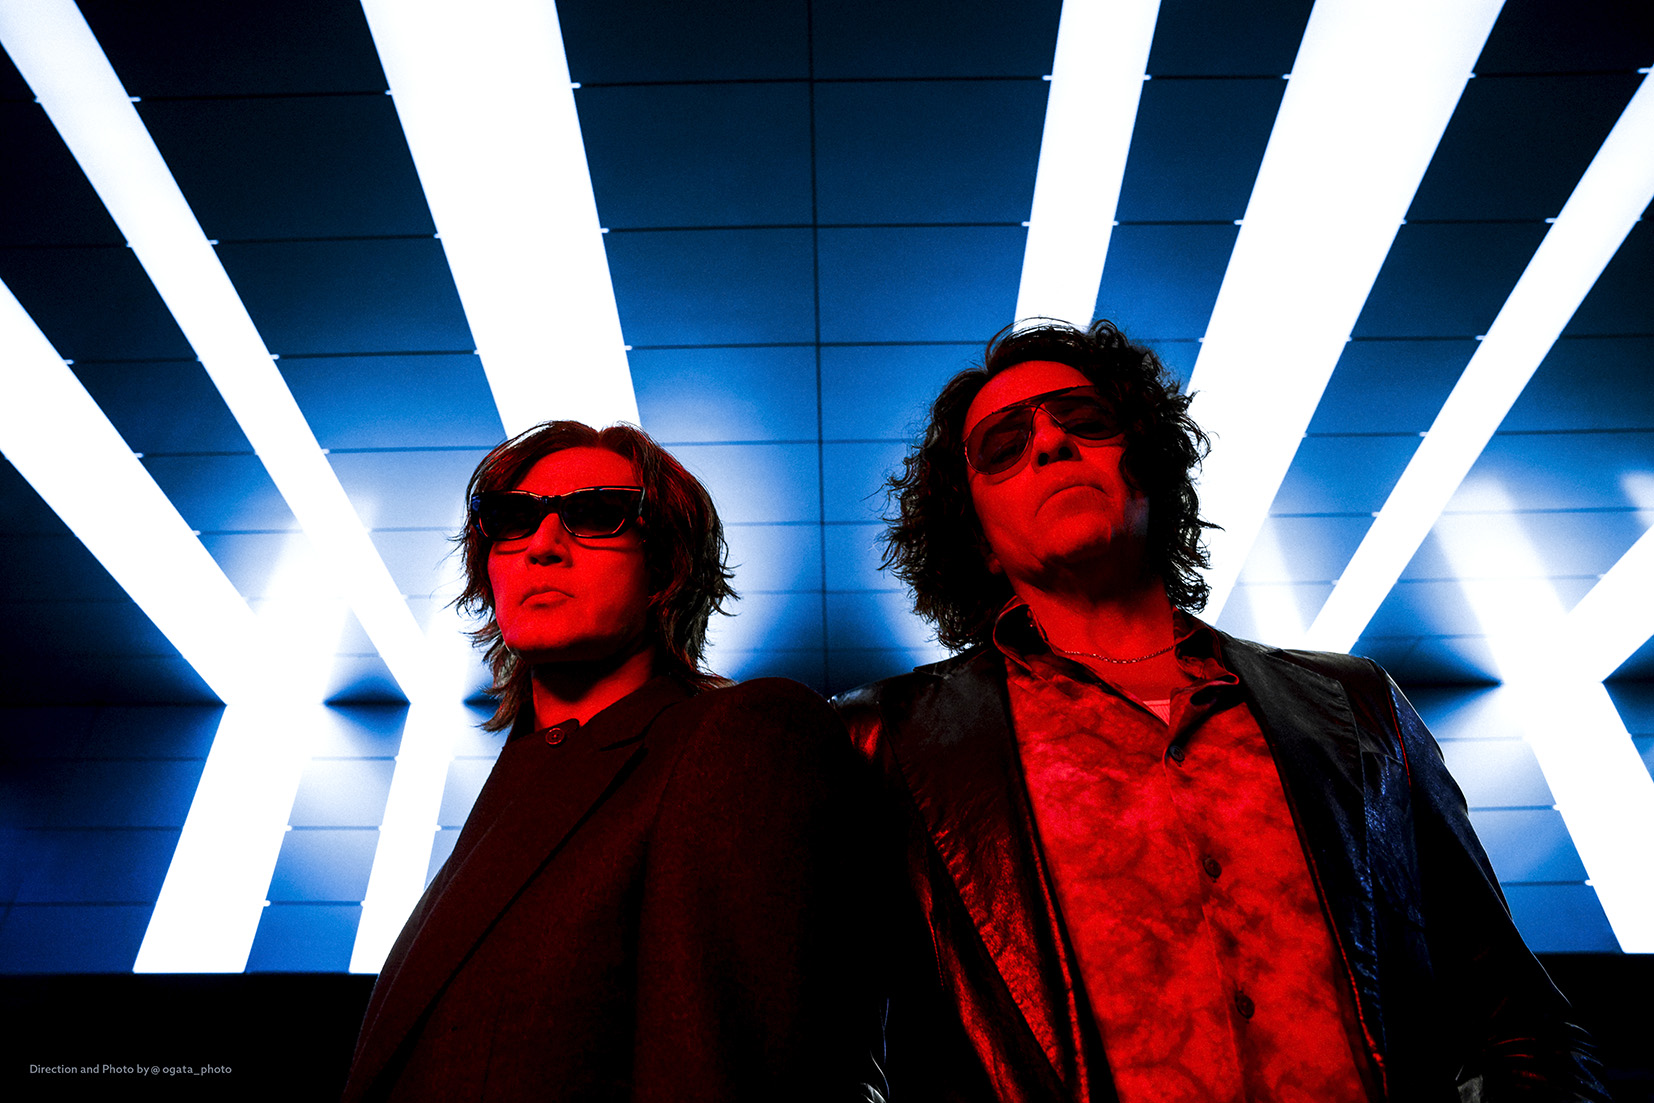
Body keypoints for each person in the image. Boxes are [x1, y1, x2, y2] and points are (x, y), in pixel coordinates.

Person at [834, 320, 1609, 1102]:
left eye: (1085, 419)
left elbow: (1519, 1019)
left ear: (1151, 465)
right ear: (976, 534)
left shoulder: (1359, 706)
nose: (1051, 443)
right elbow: (834, 1063)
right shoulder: (883, 743)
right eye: (1004, 444)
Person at [345, 420, 886, 1102]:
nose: (543, 544)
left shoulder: (741, 738)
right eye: (513, 519)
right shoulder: (515, 791)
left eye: (597, 514)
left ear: (665, 567)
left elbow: (733, 1074)